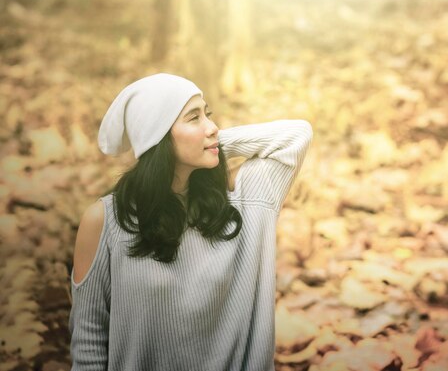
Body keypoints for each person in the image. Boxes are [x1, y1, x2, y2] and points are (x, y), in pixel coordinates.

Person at [69, 73, 313, 371]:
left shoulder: (246, 203)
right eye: (194, 118)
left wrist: (210, 144)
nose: (213, 127)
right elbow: (89, 342)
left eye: (207, 114)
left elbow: (297, 135)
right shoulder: (105, 222)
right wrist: (161, 144)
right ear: (159, 137)